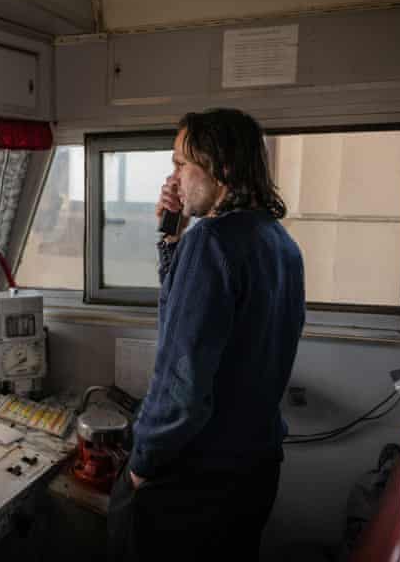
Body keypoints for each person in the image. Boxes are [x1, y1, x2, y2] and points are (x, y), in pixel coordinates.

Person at [107, 108, 305, 561]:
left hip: (196, 478)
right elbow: (195, 311)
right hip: (253, 469)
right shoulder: (279, 243)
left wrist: (143, 464)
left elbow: (183, 379)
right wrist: (172, 238)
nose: (172, 177)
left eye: (182, 163)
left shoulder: (212, 242)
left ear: (224, 169)